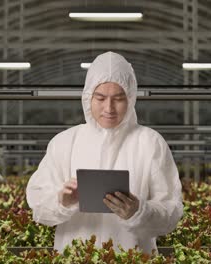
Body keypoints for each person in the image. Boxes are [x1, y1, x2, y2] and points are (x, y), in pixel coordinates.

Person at [26, 51, 183, 254]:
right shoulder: (64, 142)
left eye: (118, 98)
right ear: (88, 97)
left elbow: (171, 212)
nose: (109, 108)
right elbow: (39, 207)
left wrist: (139, 211)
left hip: (131, 257)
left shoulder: (150, 143)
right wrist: (62, 201)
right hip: (76, 256)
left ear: (131, 98)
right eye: (100, 98)